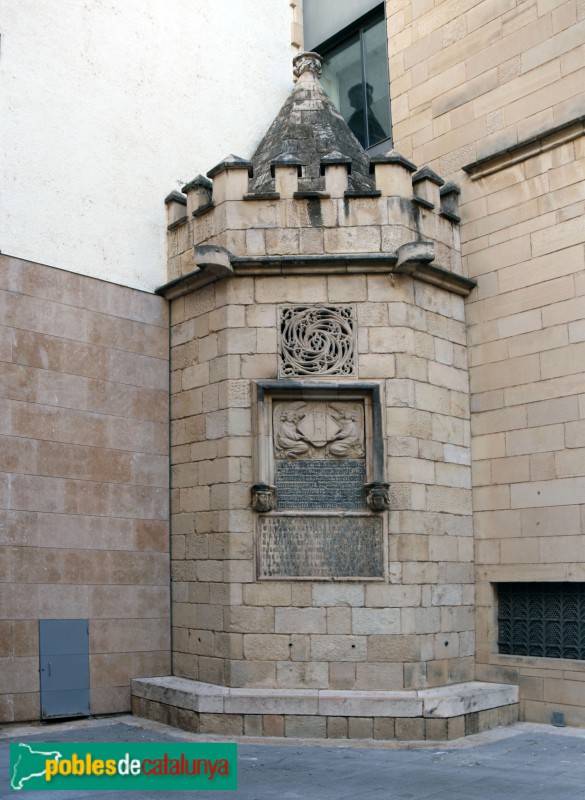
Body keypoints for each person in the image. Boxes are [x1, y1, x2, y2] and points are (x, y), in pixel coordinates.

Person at [347, 82, 387, 148]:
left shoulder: (368, 115)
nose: (371, 98)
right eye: (368, 95)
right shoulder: (356, 120)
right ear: (360, 97)